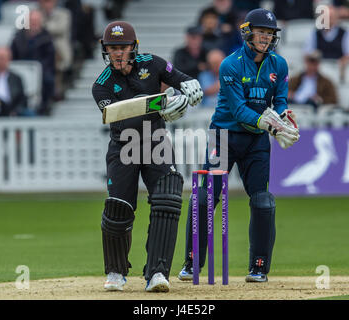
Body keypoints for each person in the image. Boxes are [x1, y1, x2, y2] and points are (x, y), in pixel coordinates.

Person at [178, 8, 299, 283]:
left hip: (256, 140)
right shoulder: (230, 65)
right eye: (261, 32)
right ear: (247, 33)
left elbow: (279, 100)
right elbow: (238, 110)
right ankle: (192, 263)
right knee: (205, 198)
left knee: (263, 201)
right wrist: (270, 125)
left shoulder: (279, 65)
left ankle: (258, 267)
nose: (266, 38)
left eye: (270, 34)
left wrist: (284, 117)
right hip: (224, 135)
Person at [91, 21, 203, 292]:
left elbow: (180, 78)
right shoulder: (101, 86)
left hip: (155, 141)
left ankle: (157, 273)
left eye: (123, 47)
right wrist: (162, 105)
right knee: (118, 208)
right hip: (124, 145)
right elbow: (119, 116)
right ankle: (116, 271)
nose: (117, 53)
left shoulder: (153, 63)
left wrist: (189, 88)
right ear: (106, 50)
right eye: (112, 48)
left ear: (133, 47)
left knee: (168, 199)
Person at [11, 9, 56, 115]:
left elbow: (50, 59)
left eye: (36, 21)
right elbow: (13, 55)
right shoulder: (18, 36)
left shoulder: (47, 37)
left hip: (42, 69)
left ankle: (44, 106)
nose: (34, 24)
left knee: (48, 79)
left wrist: (36, 68)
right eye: (31, 21)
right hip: (20, 68)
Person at [303, 5, 349, 82]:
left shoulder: (346, 34)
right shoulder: (314, 34)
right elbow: (307, 54)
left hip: (338, 69)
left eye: (330, 17)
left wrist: (340, 64)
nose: (327, 19)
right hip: (318, 71)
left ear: (336, 18)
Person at [38, 0, 73, 100]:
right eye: (44, 2)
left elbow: (60, 28)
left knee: (58, 70)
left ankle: (58, 93)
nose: (47, 4)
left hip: (59, 50)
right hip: (42, 51)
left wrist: (42, 26)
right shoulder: (38, 13)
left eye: (49, 1)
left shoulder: (64, 13)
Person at [0, 47, 31, 117]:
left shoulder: (16, 78)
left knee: (29, 113)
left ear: (9, 59)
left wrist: (16, 111)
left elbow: (22, 99)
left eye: (4, 58)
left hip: (12, 111)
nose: (1, 60)